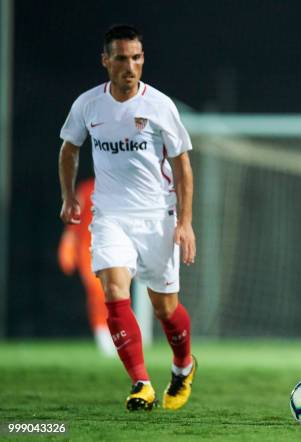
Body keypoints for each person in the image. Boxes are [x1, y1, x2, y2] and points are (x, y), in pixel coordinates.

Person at [58, 25, 197, 411]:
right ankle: (141, 383)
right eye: (121, 58)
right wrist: (69, 196)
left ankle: (184, 366)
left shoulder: (159, 106)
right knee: (114, 292)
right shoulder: (88, 105)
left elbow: (182, 164)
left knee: (165, 308)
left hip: (158, 217)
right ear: (106, 61)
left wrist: (185, 222)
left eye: (136, 57)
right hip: (110, 216)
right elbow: (69, 149)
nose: (130, 66)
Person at [58, 177, 115, 356]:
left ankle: (117, 334)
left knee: (115, 293)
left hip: (115, 247)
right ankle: (103, 336)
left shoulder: (121, 186)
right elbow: (74, 222)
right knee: (98, 293)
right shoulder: (86, 189)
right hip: (88, 250)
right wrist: (67, 245)